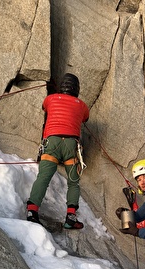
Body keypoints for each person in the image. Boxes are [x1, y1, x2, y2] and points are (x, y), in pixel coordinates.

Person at [26, 73, 89, 229]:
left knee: (43, 177)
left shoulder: (51, 99)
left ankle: (32, 212)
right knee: (73, 183)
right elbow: (85, 118)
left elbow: (44, 107)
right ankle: (71, 218)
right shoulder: (82, 105)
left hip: (52, 142)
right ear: (77, 89)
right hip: (70, 144)